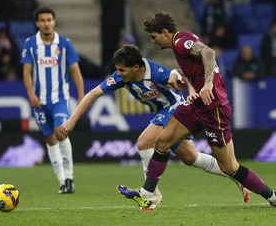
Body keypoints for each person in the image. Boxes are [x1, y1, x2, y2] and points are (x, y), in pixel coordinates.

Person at [118, 11, 276, 209]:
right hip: (197, 103)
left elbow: (208, 52)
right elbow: (195, 67)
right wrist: (177, 74)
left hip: (214, 108)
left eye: (154, 37)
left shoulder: (181, 42)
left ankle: (274, 197)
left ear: (164, 32)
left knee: (229, 166)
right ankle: (147, 194)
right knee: (162, 141)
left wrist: (207, 84)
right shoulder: (182, 42)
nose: (153, 41)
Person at [60, 44, 250, 209]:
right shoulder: (121, 77)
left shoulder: (157, 73)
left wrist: (192, 91)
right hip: (160, 112)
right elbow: (93, 93)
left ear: (136, 67)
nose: (118, 74)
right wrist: (72, 120)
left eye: (122, 70)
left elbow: (182, 80)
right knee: (190, 158)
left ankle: (151, 195)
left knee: (144, 142)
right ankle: (237, 176)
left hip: (174, 108)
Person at [21, 7, 84, 194]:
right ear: (37, 23)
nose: (46, 23)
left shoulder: (64, 44)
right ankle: (62, 181)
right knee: (49, 138)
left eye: (49, 20)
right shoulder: (30, 44)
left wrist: (82, 96)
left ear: (54, 22)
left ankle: (70, 177)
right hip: (40, 101)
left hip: (60, 98)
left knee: (60, 132)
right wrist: (31, 94)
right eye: (42, 20)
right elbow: (26, 72)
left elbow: (75, 71)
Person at [100, 0, 126, 77]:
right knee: (106, 49)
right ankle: (104, 70)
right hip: (107, 28)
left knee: (115, 49)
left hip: (117, 29)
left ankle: (114, 69)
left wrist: (122, 28)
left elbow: (121, 15)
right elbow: (105, 7)